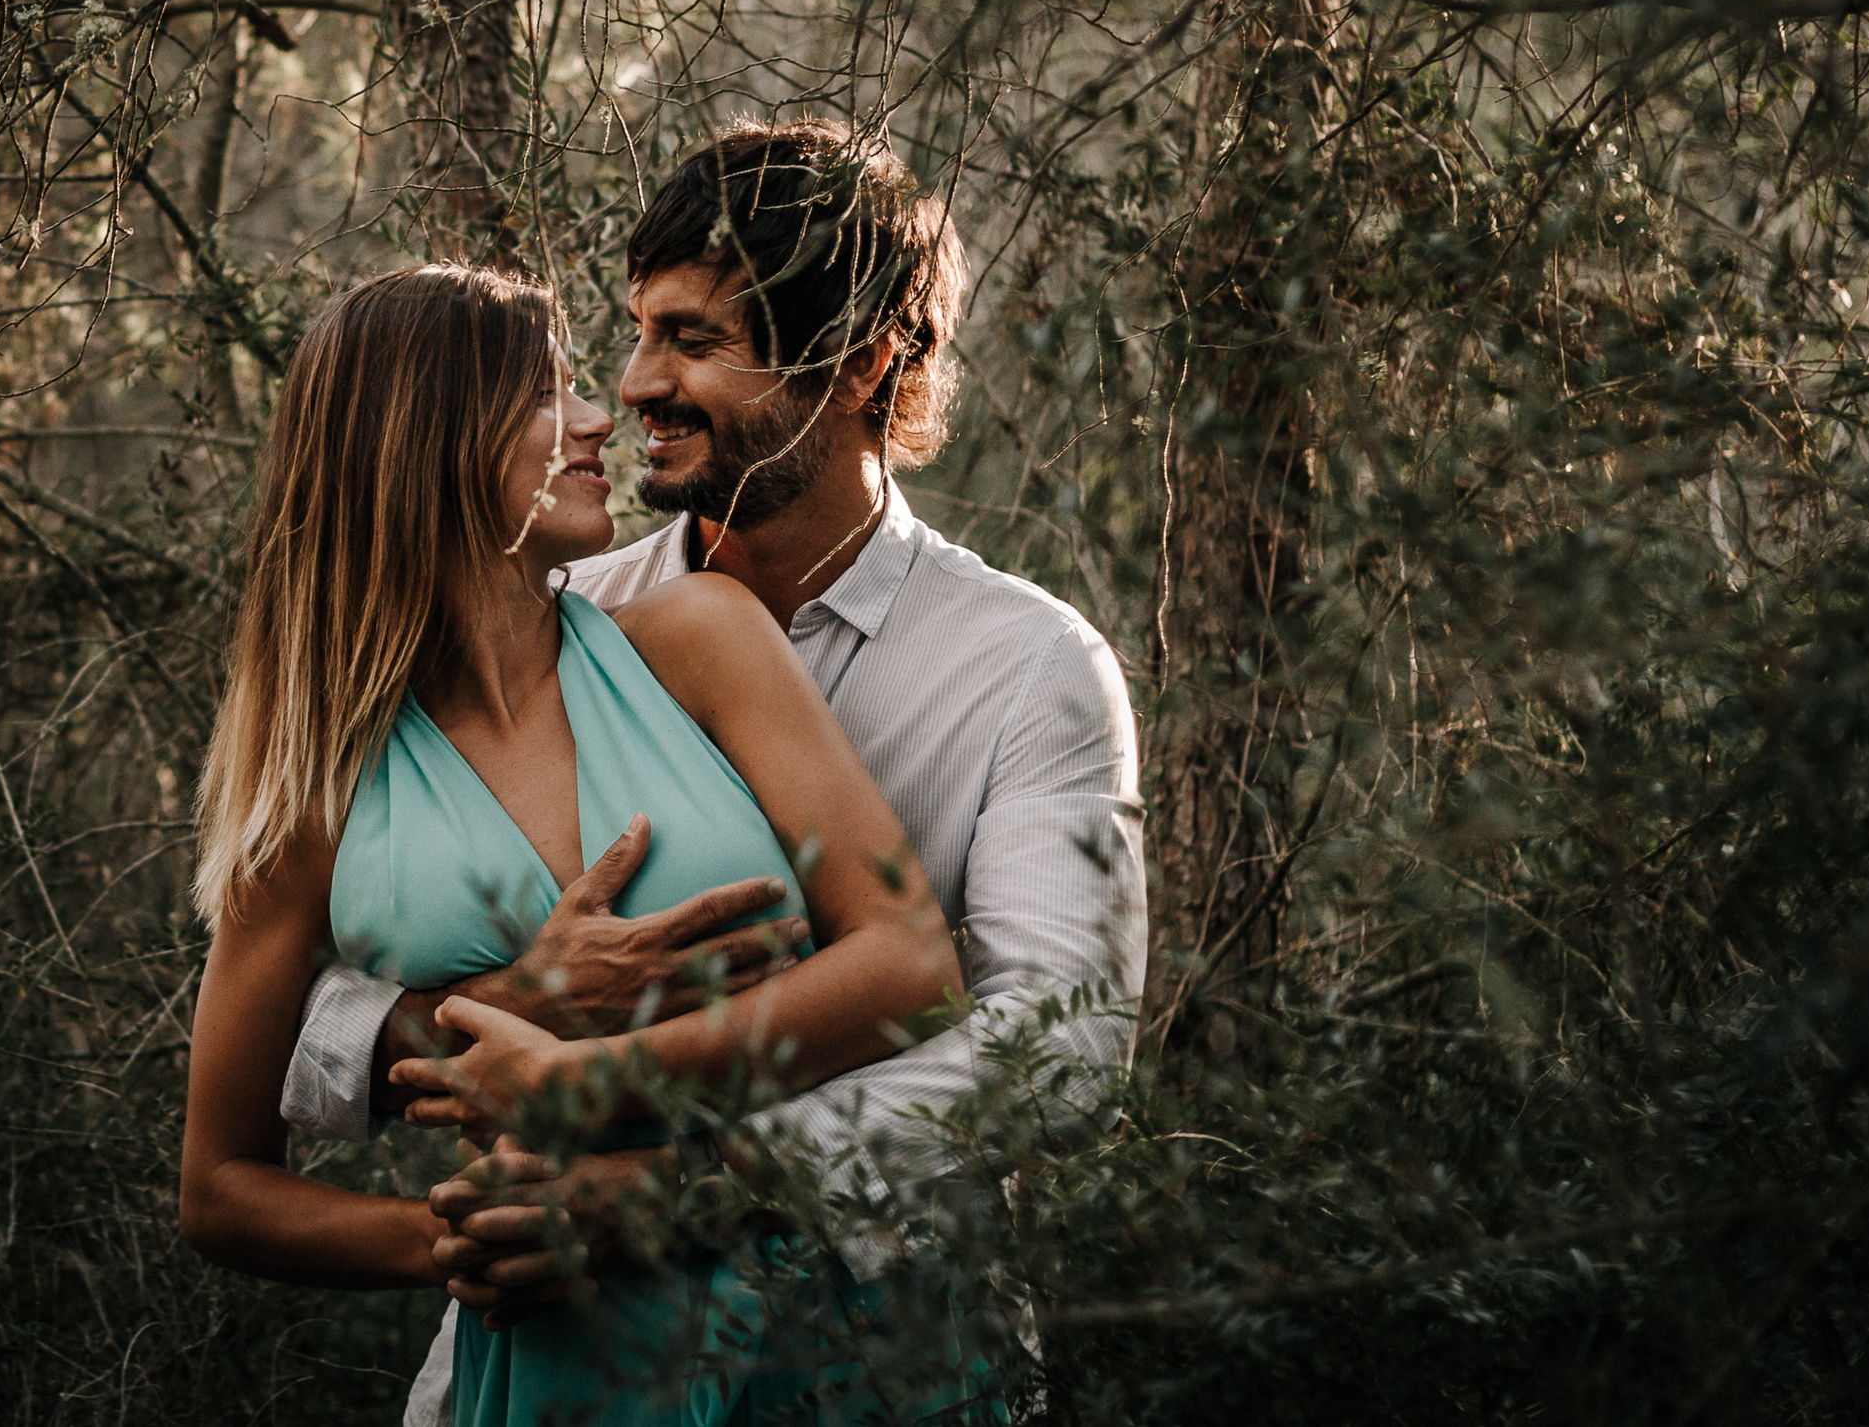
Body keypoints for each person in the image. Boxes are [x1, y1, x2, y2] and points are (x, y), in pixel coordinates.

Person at [280, 118, 1149, 1423]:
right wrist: (509, 1004)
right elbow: (292, 1014)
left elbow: (1061, 1056)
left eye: (693, 339)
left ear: (858, 363)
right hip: (549, 1353)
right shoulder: (556, 608)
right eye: (637, 331)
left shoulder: (1028, 668)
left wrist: (700, 1184)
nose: (634, 383)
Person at [178, 261, 972, 1425]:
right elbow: (221, 1189)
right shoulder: (314, 793)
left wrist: (581, 1074)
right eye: (550, 394)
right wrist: (456, 1241)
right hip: (565, 1356)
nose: (600, 414)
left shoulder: (700, 637)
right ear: (430, 438)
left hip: (818, 1306)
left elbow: (912, 965)